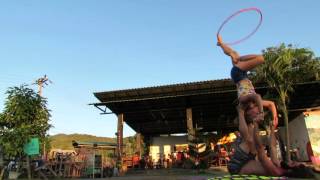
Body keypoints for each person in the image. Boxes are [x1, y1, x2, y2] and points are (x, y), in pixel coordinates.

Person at [217, 36, 278, 127]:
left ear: (250, 113)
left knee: (260, 58)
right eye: (258, 112)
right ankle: (221, 44)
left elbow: (256, 96)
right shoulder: (254, 102)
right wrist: (275, 117)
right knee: (233, 53)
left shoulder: (243, 101)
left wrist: (261, 113)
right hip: (243, 76)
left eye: (256, 114)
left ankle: (239, 58)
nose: (258, 112)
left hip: (238, 75)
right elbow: (271, 104)